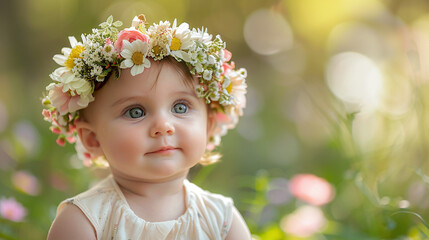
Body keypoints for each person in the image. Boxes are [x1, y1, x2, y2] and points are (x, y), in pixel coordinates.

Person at [42, 14, 251, 239]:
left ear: (208, 126)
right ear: (93, 139)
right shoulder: (83, 222)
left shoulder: (222, 220)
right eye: (135, 112)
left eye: (180, 107)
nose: (163, 126)